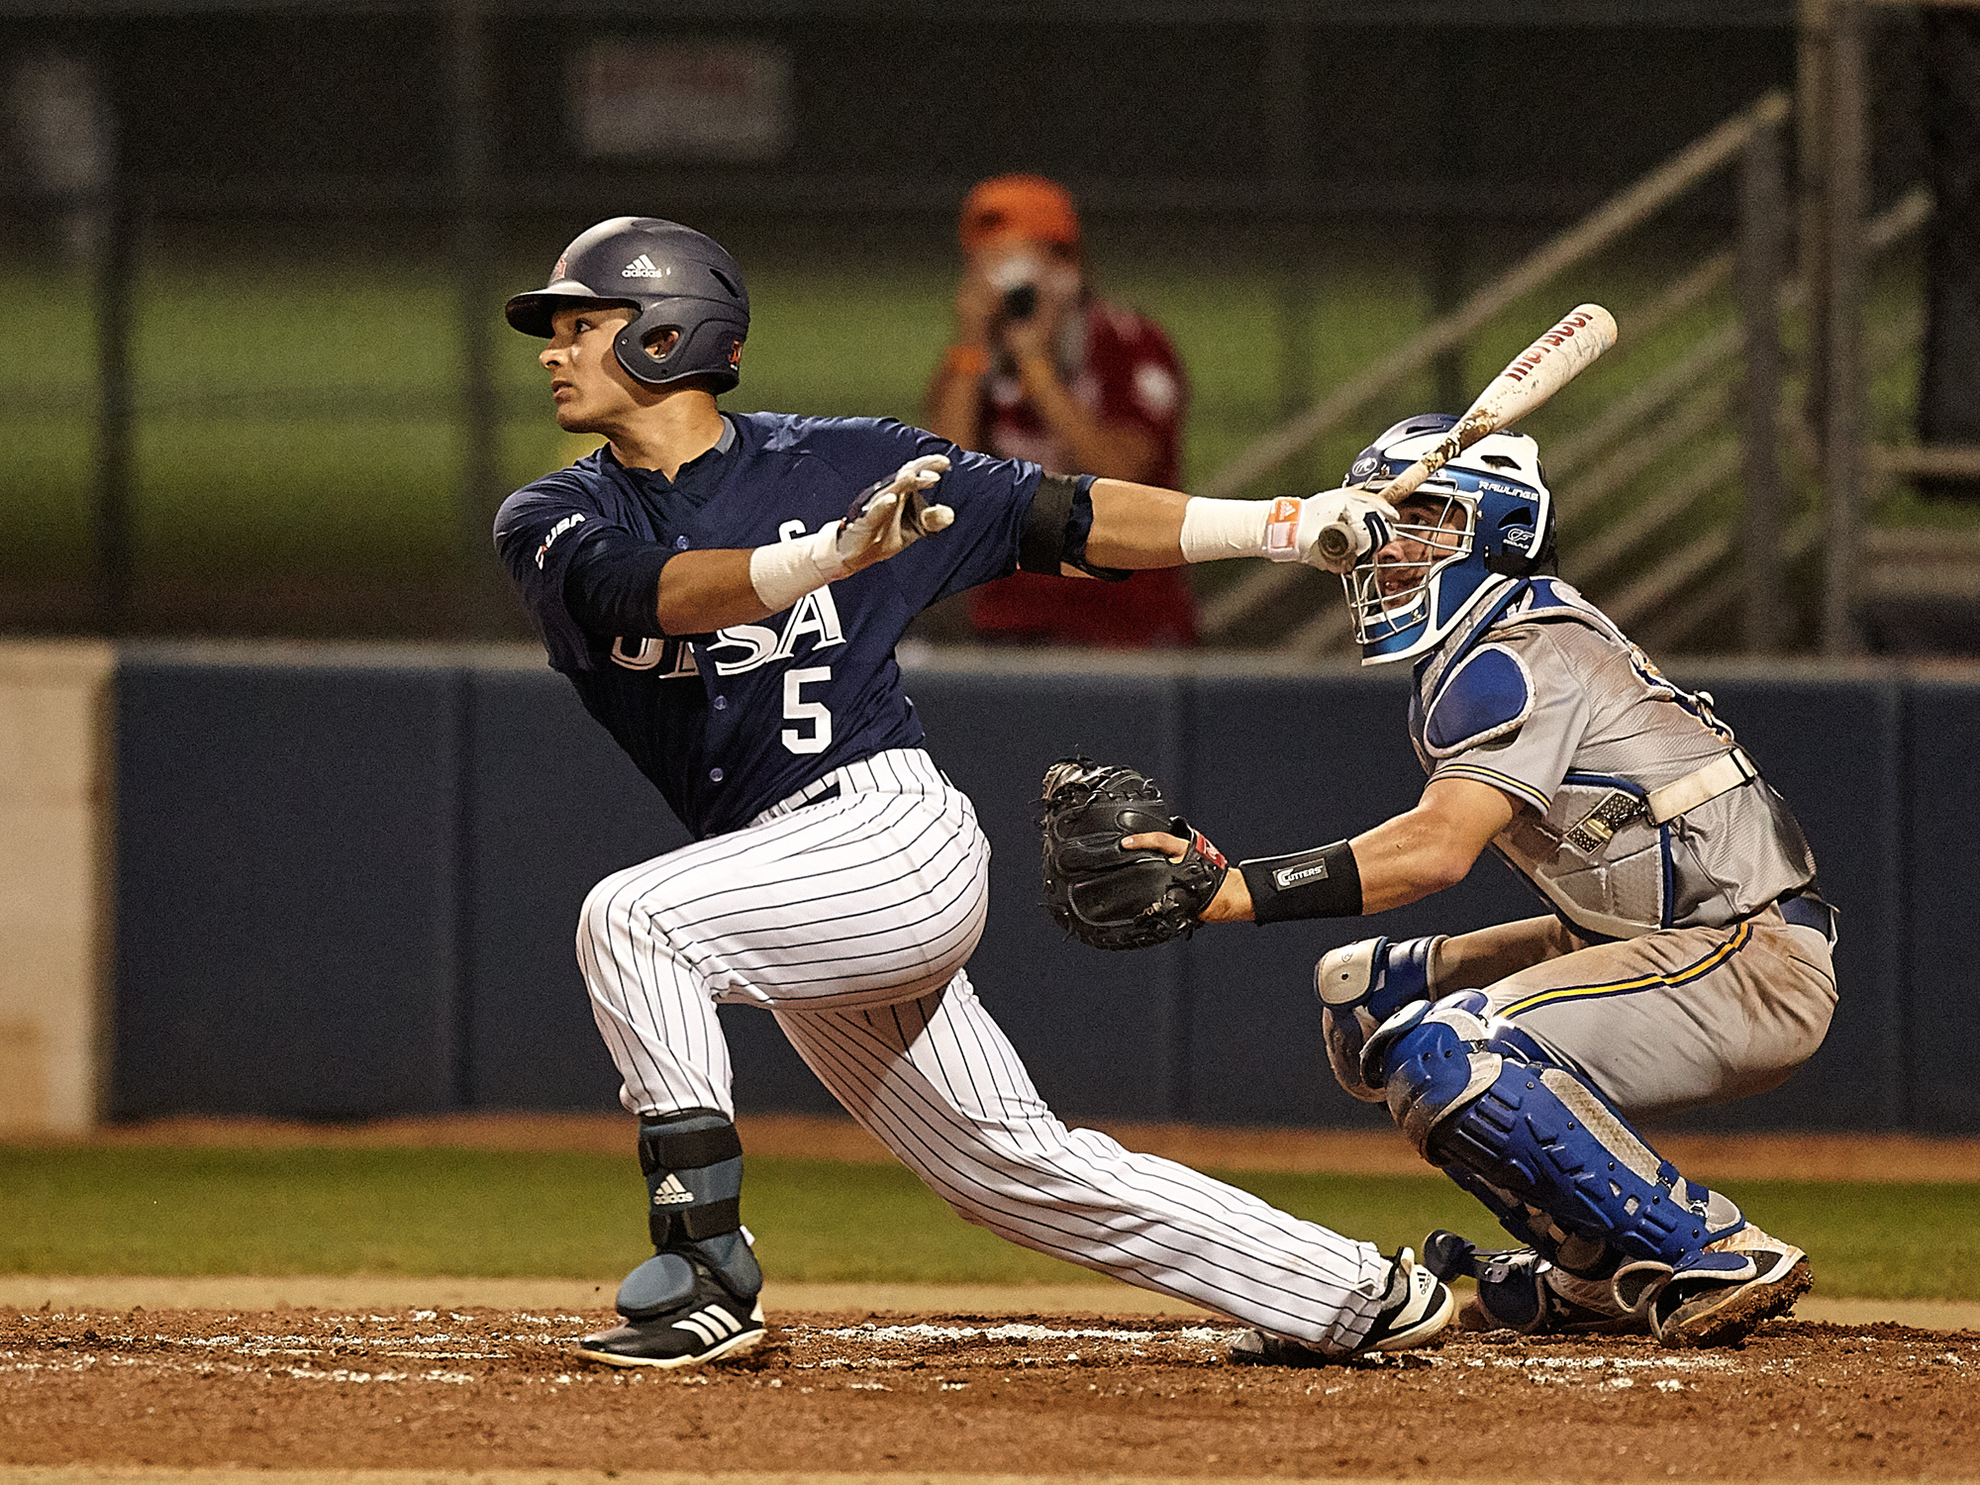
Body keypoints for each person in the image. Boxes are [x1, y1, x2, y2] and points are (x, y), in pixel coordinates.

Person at [491, 215, 1450, 1370]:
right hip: (781, 877)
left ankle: (703, 1271)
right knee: (1010, 1171)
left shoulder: (842, 462)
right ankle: (1355, 1295)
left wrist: (1288, 527)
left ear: (667, 334)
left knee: (634, 918)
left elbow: (1073, 514)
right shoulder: (552, 518)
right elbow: (659, 595)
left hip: (887, 833)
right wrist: (824, 560)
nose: (553, 347)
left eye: (581, 324)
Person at [1123, 413, 1837, 1351]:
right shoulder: (1489, 651)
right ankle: (1597, 1264)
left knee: (1455, 1053)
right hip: (1666, 942)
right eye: (1387, 515)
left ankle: (1712, 1244)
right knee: (1373, 994)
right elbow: (1595, 909)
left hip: (1748, 953)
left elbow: (1436, 850)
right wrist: (1421, 965)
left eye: (1423, 516)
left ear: (1499, 530)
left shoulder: (1523, 650)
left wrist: (1237, 889)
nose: (1391, 543)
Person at [922, 173, 1197, 647]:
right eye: (984, 263)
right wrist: (970, 346)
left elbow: (1122, 468)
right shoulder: (975, 360)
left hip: (1122, 617)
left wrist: (1037, 366)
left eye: (1012, 260)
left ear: (1065, 264)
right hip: (1010, 615)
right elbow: (944, 473)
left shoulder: (1129, 344)